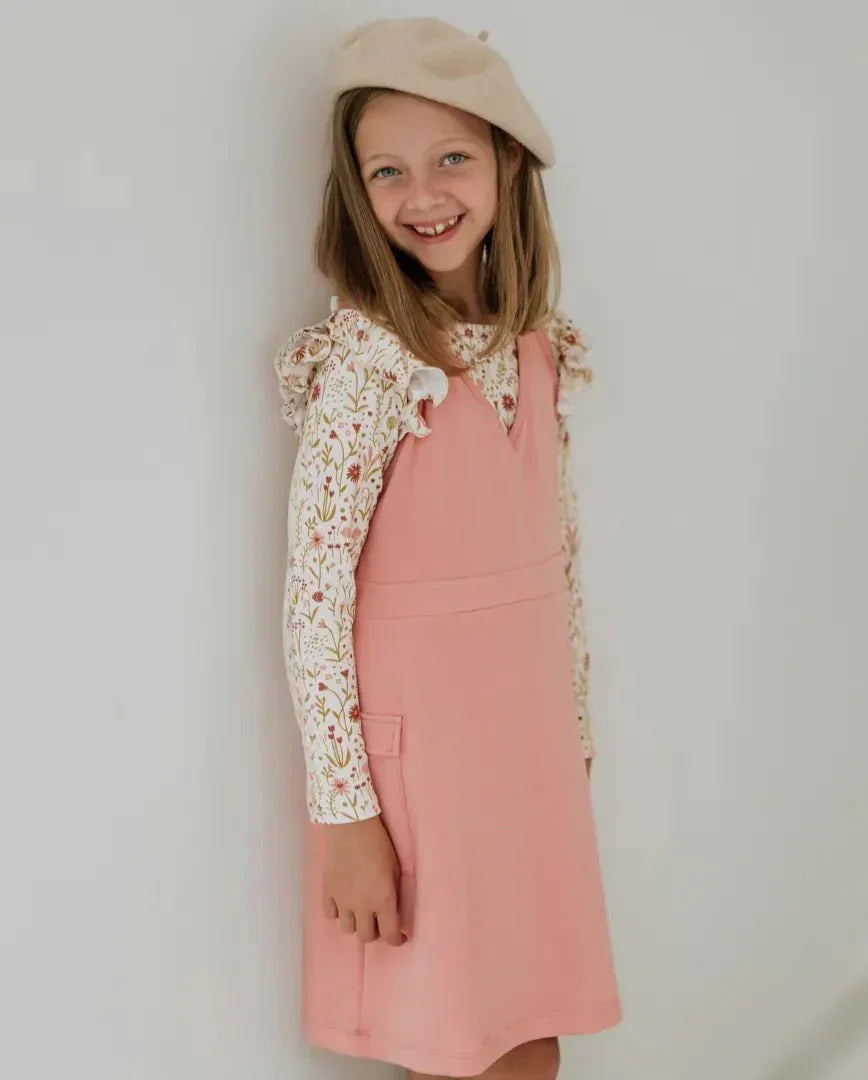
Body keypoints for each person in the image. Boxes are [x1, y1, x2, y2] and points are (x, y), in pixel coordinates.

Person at [272, 17, 622, 1080]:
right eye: (388, 171)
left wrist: (573, 740)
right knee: (453, 1047)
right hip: (424, 782)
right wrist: (347, 819)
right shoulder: (371, 363)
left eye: (453, 158)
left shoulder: (536, 349)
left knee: (529, 1038)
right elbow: (313, 599)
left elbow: (556, 563)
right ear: (356, 190)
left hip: (524, 763)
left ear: (509, 165)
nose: (424, 195)